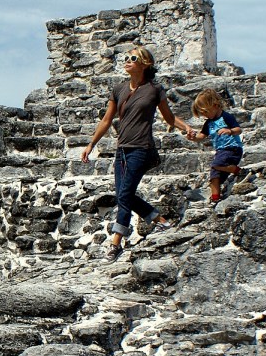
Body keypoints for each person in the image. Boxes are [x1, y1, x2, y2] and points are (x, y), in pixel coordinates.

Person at [81, 46, 194, 262]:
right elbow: (106, 120)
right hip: (122, 149)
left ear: (145, 64)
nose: (127, 60)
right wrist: (91, 144)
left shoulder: (154, 89)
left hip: (142, 148)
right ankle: (159, 220)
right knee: (124, 195)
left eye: (133, 58)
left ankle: (115, 243)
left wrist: (186, 127)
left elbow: (169, 118)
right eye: (126, 57)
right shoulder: (119, 89)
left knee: (124, 195)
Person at [187, 88, 244, 205]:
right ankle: (215, 197)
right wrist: (193, 137)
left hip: (232, 148)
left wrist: (230, 131)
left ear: (215, 105)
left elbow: (239, 130)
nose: (204, 115)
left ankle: (237, 170)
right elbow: (202, 136)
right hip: (220, 151)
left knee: (216, 165)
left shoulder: (226, 117)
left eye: (205, 112)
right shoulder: (208, 122)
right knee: (214, 174)